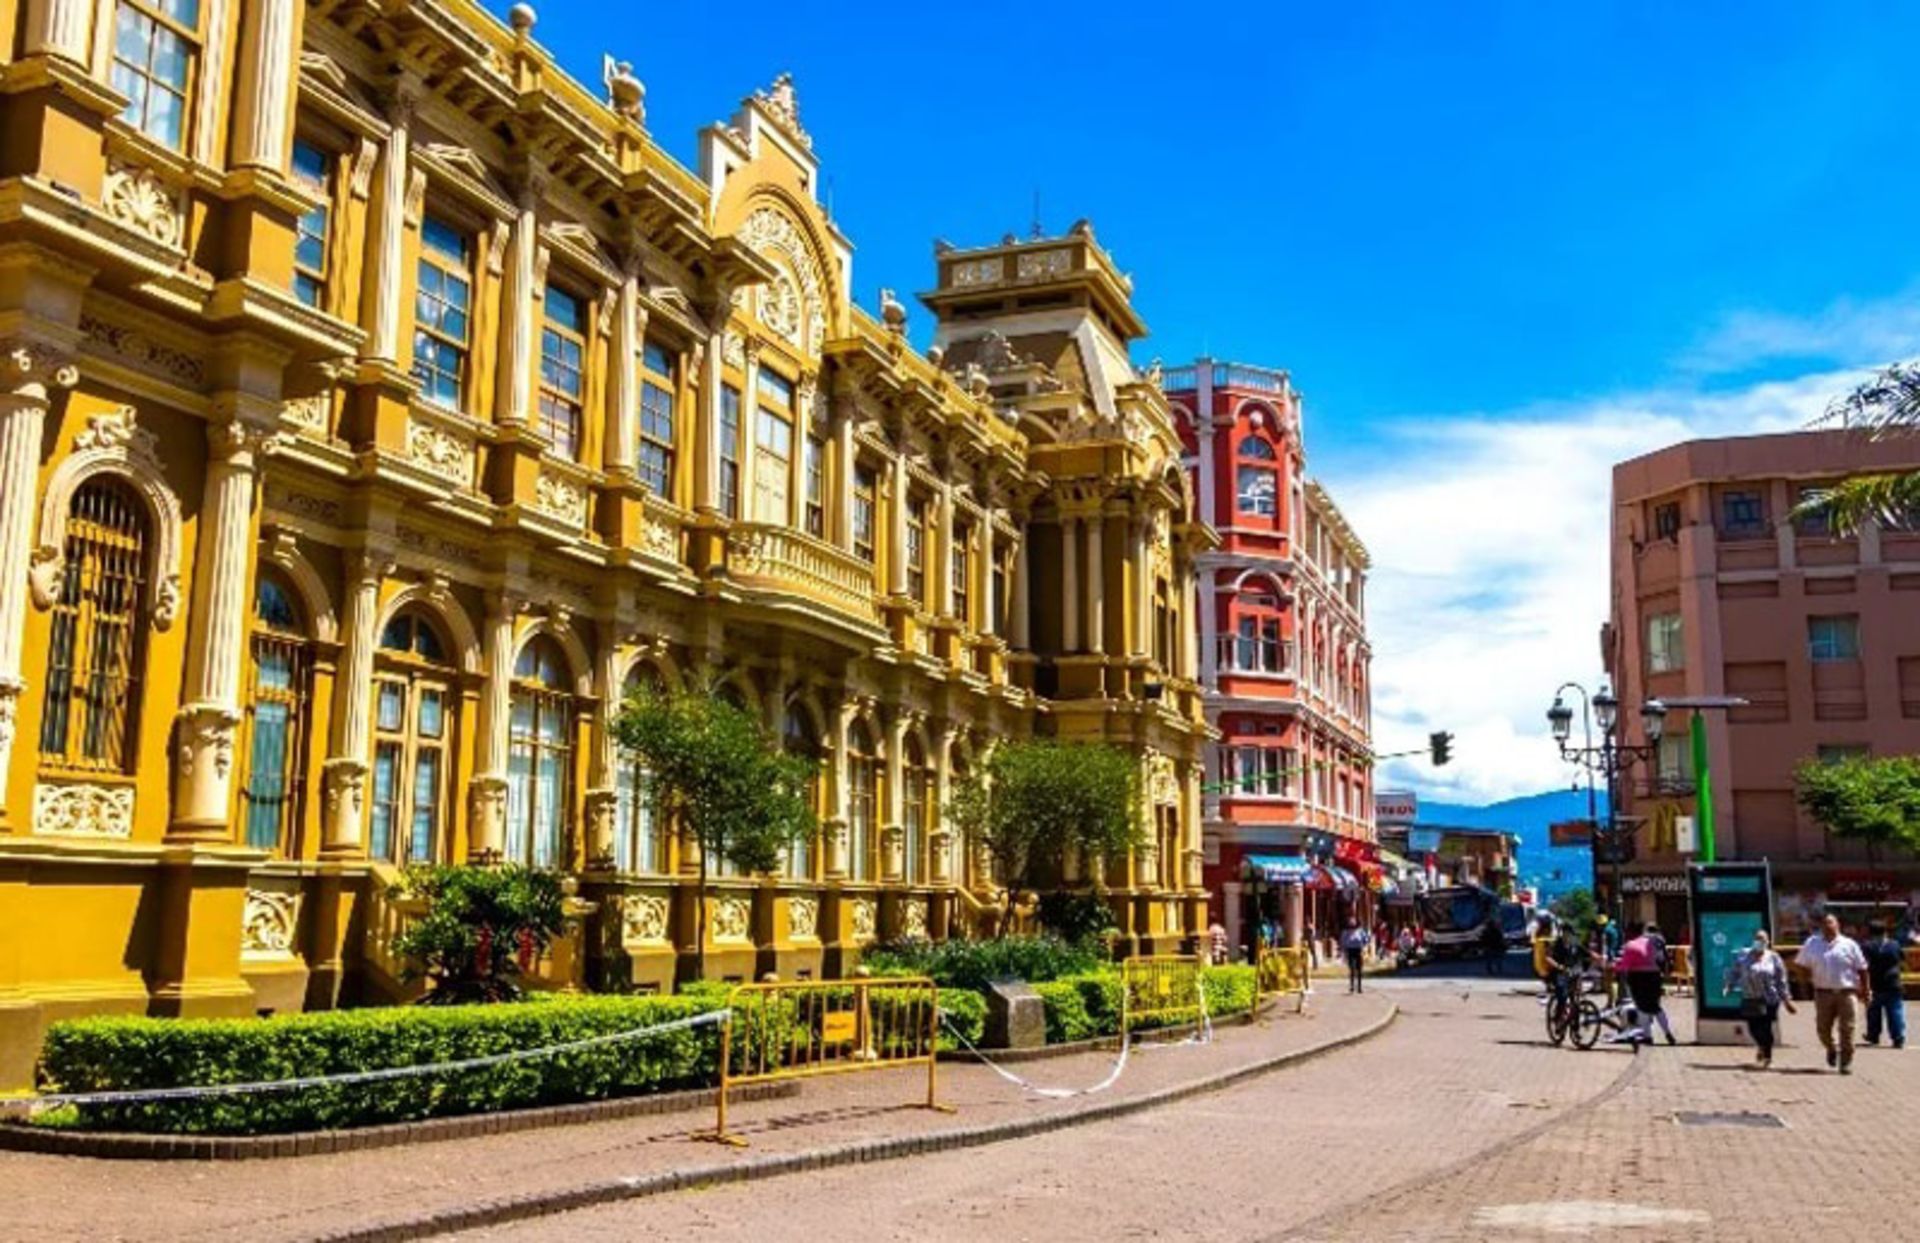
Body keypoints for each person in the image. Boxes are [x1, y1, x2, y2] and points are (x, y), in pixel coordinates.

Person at [1796, 912, 1871, 1073]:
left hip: (1847, 992)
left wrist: (1866, 990)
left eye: (1831, 923)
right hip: (1823, 993)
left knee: (1848, 1028)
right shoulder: (1812, 944)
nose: (1827, 926)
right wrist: (1804, 985)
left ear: (1838, 925)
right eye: (1824, 923)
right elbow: (1801, 965)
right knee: (1822, 1029)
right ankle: (1831, 1048)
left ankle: (1845, 1062)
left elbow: (1862, 969)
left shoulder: (1849, 944)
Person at [1724, 930, 1795, 1067]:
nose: (1760, 942)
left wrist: (1786, 1000)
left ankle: (1767, 1055)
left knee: (1766, 1027)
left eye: (1763, 939)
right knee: (1753, 1027)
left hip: (1769, 998)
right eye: (1757, 939)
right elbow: (1735, 971)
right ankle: (1761, 1046)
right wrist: (1729, 985)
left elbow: (1781, 980)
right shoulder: (1744, 955)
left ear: (1768, 942)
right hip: (1751, 997)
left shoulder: (1774, 957)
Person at [1861, 920, 1907, 1050]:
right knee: (1895, 1011)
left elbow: (1862, 964)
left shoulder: (1867, 946)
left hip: (1875, 982)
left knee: (1873, 1011)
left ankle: (1873, 1035)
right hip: (1893, 982)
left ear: (1870, 932)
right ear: (1885, 931)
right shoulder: (1895, 944)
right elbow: (1902, 960)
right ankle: (1898, 1038)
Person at [1340, 918, 1370, 994]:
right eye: (1350, 923)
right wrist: (1343, 951)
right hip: (1350, 951)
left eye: (1353, 923)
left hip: (1358, 950)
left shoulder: (1360, 931)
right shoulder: (1346, 932)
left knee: (1359, 969)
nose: (1352, 924)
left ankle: (1359, 987)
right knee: (1352, 969)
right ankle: (1352, 986)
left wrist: (1365, 946)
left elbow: (1366, 939)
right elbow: (1343, 941)